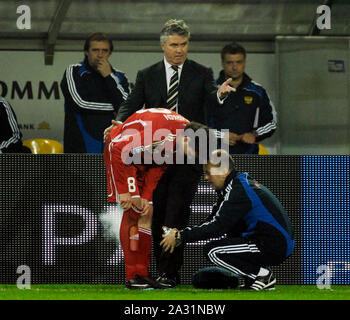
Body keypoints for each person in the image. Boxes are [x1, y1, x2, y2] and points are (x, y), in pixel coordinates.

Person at [105, 19, 235, 289]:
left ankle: (169, 274)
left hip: (187, 154)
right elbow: (131, 103)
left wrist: (220, 94)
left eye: (184, 44)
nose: (180, 50)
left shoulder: (201, 72)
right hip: (155, 155)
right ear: (163, 45)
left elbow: (212, 97)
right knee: (153, 211)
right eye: (174, 44)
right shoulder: (146, 74)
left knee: (177, 213)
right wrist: (120, 122)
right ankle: (148, 272)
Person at [104, 107, 211, 289]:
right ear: (186, 140)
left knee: (145, 212)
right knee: (132, 212)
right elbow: (119, 150)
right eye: (193, 152)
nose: (193, 158)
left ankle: (143, 273)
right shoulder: (156, 135)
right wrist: (126, 191)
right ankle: (133, 276)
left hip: (142, 158)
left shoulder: (179, 138)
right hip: (120, 156)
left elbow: (159, 166)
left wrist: (145, 196)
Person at [161, 149, 295, 291]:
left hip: (274, 244)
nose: (206, 178)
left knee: (213, 251)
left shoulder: (238, 189)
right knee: (231, 234)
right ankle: (253, 279)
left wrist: (181, 235)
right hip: (272, 241)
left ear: (223, 170)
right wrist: (181, 235)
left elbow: (218, 227)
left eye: (208, 172)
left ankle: (262, 276)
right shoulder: (235, 186)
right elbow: (212, 221)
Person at [60, 32, 129, 153]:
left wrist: (108, 77)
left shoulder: (119, 76)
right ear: (86, 52)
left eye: (104, 51)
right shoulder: (74, 71)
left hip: (112, 143)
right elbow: (78, 103)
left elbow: (127, 106)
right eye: (95, 50)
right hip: (79, 144)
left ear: (110, 53)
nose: (100, 55)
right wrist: (114, 108)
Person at [208, 42, 277, 154]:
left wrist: (255, 135)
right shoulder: (210, 91)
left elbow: (272, 123)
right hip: (216, 156)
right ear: (223, 63)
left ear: (244, 63)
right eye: (230, 62)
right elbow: (197, 123)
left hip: (249, 154)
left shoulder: (258, 91)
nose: (234, 67)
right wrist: (221, 135)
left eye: (238, 62)